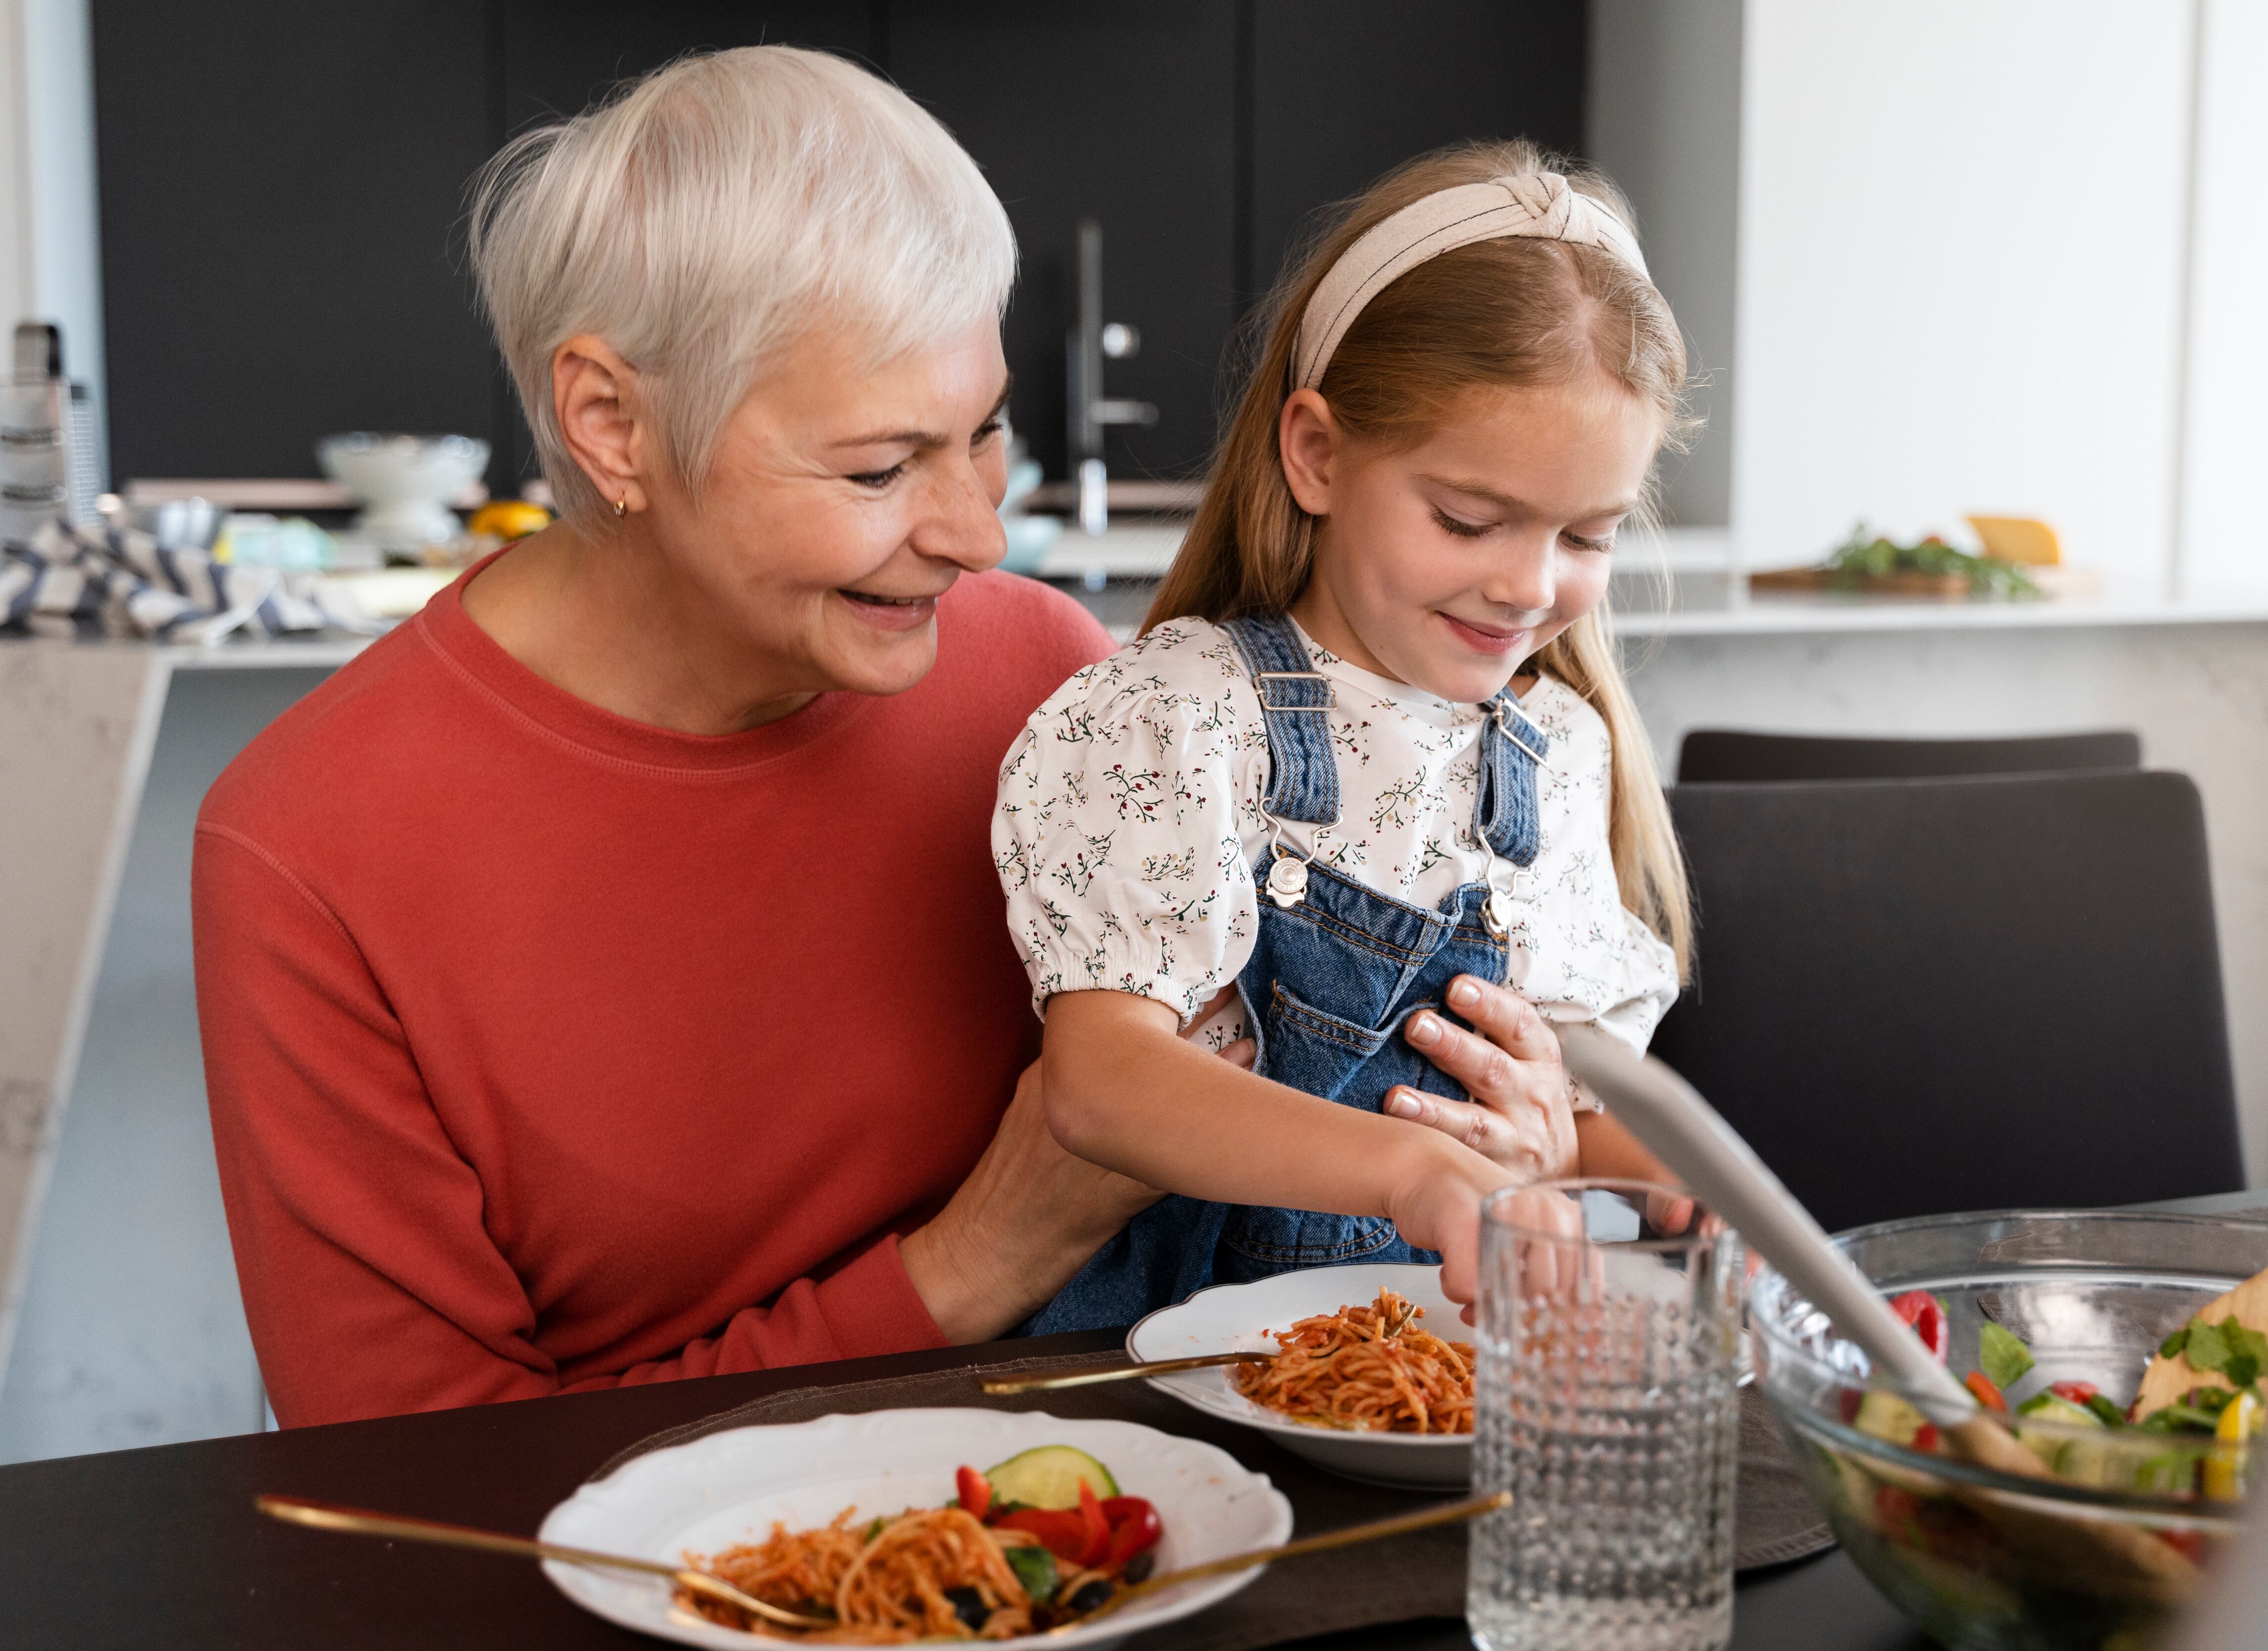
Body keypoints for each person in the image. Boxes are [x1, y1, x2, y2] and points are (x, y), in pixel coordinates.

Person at [194, 50, 1568, 1427]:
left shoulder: (1055, 680)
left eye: (986, 431)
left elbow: (1308, 1098)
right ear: (612, 425)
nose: (976, 532)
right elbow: (419, 1475)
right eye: (878, 466)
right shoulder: (309, 849)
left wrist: (1490, 1123)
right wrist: (982, 1254)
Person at [996, 142, 1693, 1334]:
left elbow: (1569, 1104)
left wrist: (1682, 1186)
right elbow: (1101, 1084)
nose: (1530, 586)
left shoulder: (1554, 749)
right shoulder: (1183, 716)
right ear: (1316, 454)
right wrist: (1408, 1172)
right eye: (1468, 519)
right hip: (1172, 1357)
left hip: (1426, 1360)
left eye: (1587, 535)